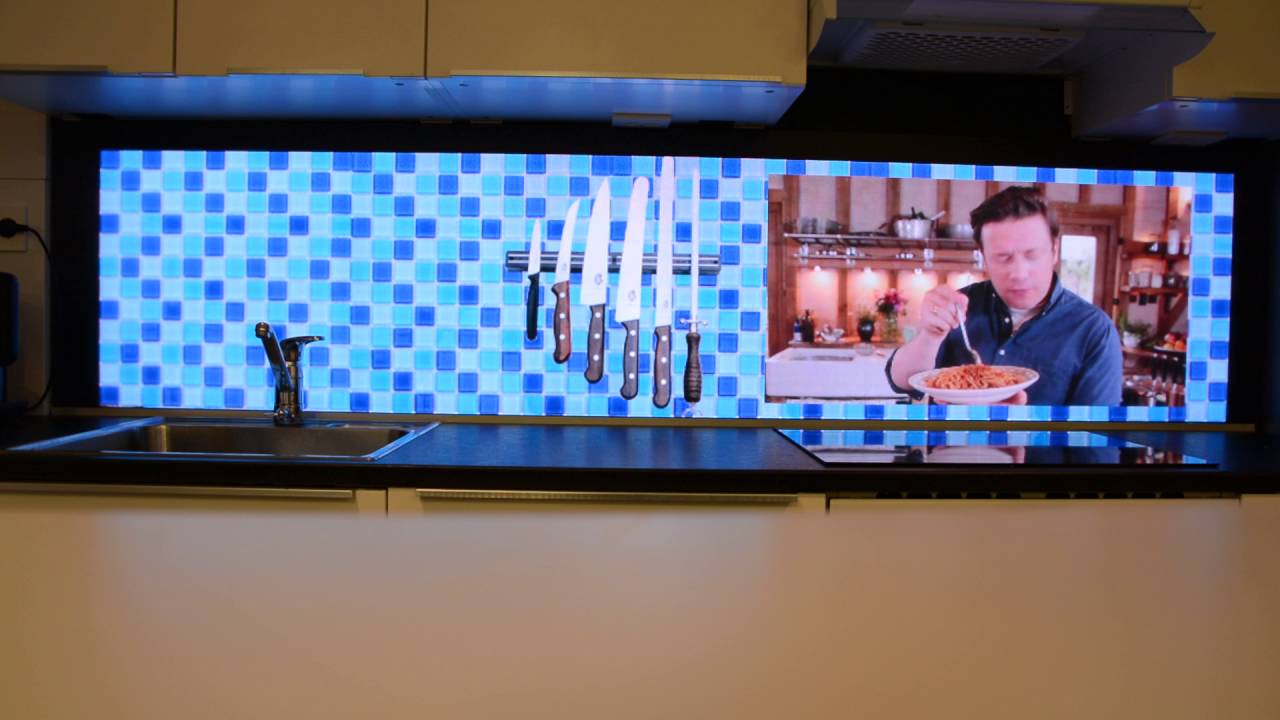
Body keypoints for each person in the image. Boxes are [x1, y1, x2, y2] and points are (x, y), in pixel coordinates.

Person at [886, 186, 1122, 406]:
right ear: (984, 258)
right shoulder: (958, 305)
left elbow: (1095, 432)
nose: (1019, 273)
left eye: (1032, 255)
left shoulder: (1094, 329)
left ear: (1054, 251)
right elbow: (901, 382)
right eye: (1003, 258)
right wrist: (929, 335)